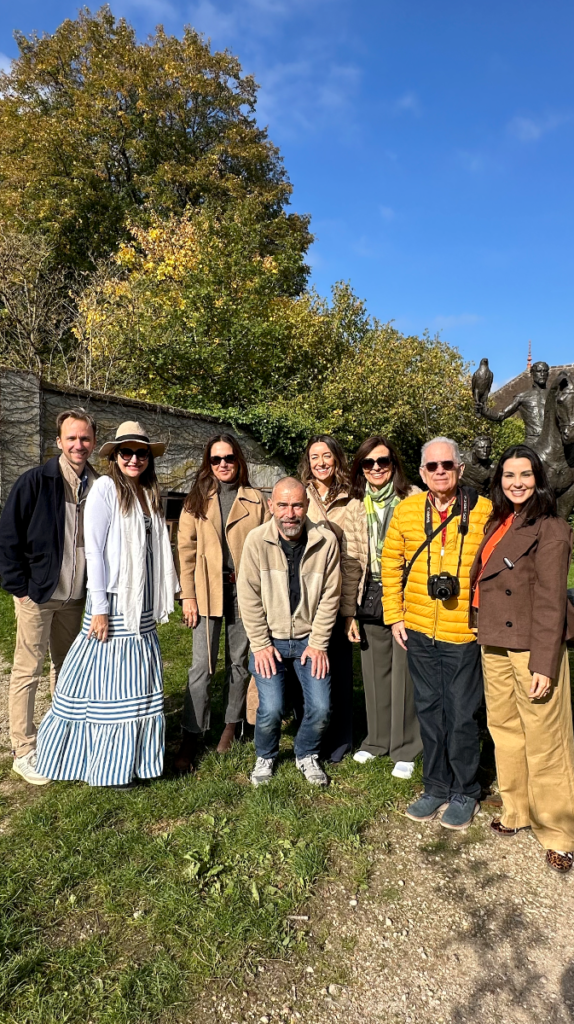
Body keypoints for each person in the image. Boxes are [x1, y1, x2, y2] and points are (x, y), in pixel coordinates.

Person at [35, 421, 178, 788]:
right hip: (114, 599)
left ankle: (136, 760)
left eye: (141, 453)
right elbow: (94, 552)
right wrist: (99, 607)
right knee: (110, 684)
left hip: (141, 599)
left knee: (136, 682)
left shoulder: (148, 492)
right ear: (115, 456)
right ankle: (108, 766)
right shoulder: (105, 489)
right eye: (126, 452)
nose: (134, 459)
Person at [470, 445, 574, 873]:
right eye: (509, 475)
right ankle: (517, 810)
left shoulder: (552, 528)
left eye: (525, 475)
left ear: (538, 479)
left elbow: (552, 601)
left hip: (533, 645)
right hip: (494, 640)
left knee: (547, 738)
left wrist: (544, 663)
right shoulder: (499, 521)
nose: (517, 483)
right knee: (505, 730)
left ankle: (559, 831)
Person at [382, 437, 491, 829]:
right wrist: (395, 616)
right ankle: (435, 785)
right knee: (429, 710)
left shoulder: (483, 510)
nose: (440, 471)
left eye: (447, 465)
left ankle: (465, 790)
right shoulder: (407, 510)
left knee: (462, 714)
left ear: (460, 469)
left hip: (463, 630)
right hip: (418, 629)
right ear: (422, 472)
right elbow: (390, 563)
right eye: (432, 466)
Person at [0, 408, 98, 785]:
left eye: (85, 438)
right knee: (28, 669)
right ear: (59, 441)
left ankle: (60, 736)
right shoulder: (35, 482)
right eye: (71, 438)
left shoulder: (99, 486)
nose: (78, 444)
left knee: (66, 668)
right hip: (38, 596)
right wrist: (20, 590)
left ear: (93, 442)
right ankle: (23, 749)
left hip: (75, 598)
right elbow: (8, 537)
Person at [237, 477, 341, 787]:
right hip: (271, 639)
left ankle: (306, 752)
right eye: (282, 505)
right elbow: (248, 596)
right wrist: (260, 644)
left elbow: (331, 596)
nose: (290, 513)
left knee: (321, 708)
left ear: (307, 506)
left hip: (310, 640)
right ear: (271, 506)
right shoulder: (256, 540)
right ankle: (266, 755)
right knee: (271, 709)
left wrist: (319, 643)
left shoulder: (325, 541)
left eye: (297, 505)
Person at [176, 434, 269, 771]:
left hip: (244, 593)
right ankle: (192, 731)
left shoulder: (256, 501)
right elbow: (186, 551)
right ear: (209, 463)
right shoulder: (196, 500)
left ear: (238, 460)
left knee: (238, 662)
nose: (223, 464)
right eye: (216, 459)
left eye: (228, 457)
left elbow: (268, 548)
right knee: (201, 666)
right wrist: (188, 595)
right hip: (206, 592)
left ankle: (232, 724)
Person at [342, 436, 421, 778]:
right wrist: (348, 612)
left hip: (406, 591)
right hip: (371, 593)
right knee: (375, 672)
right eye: (368, 463)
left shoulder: (414, 498)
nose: (376, 468)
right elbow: (350, 564)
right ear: (360, 468)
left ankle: (406, 746)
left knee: (404, 672)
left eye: (383, 461)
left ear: (394, 464)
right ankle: (376, 740)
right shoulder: (354, 506)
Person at [299, 434, 353, 762]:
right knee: (310, 666)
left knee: (340, 666)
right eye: (314, 457)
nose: (321, 463)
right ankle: (311, 734)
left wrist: (349, 608)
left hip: (339, 588)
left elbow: (356, 550)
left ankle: (340, 738)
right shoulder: (299, 493)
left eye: (327, 456)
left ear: (337, 459)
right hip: (306, 592)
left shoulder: (351, 496)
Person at [478, 361, 550, 447]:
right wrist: (484, 410)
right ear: (532, 373)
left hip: (551, 440)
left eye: (545, 371)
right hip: (532, 441)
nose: (542, 374)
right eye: (539, 371)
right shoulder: (522, 397)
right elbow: (501, 415)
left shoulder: (555, 395)